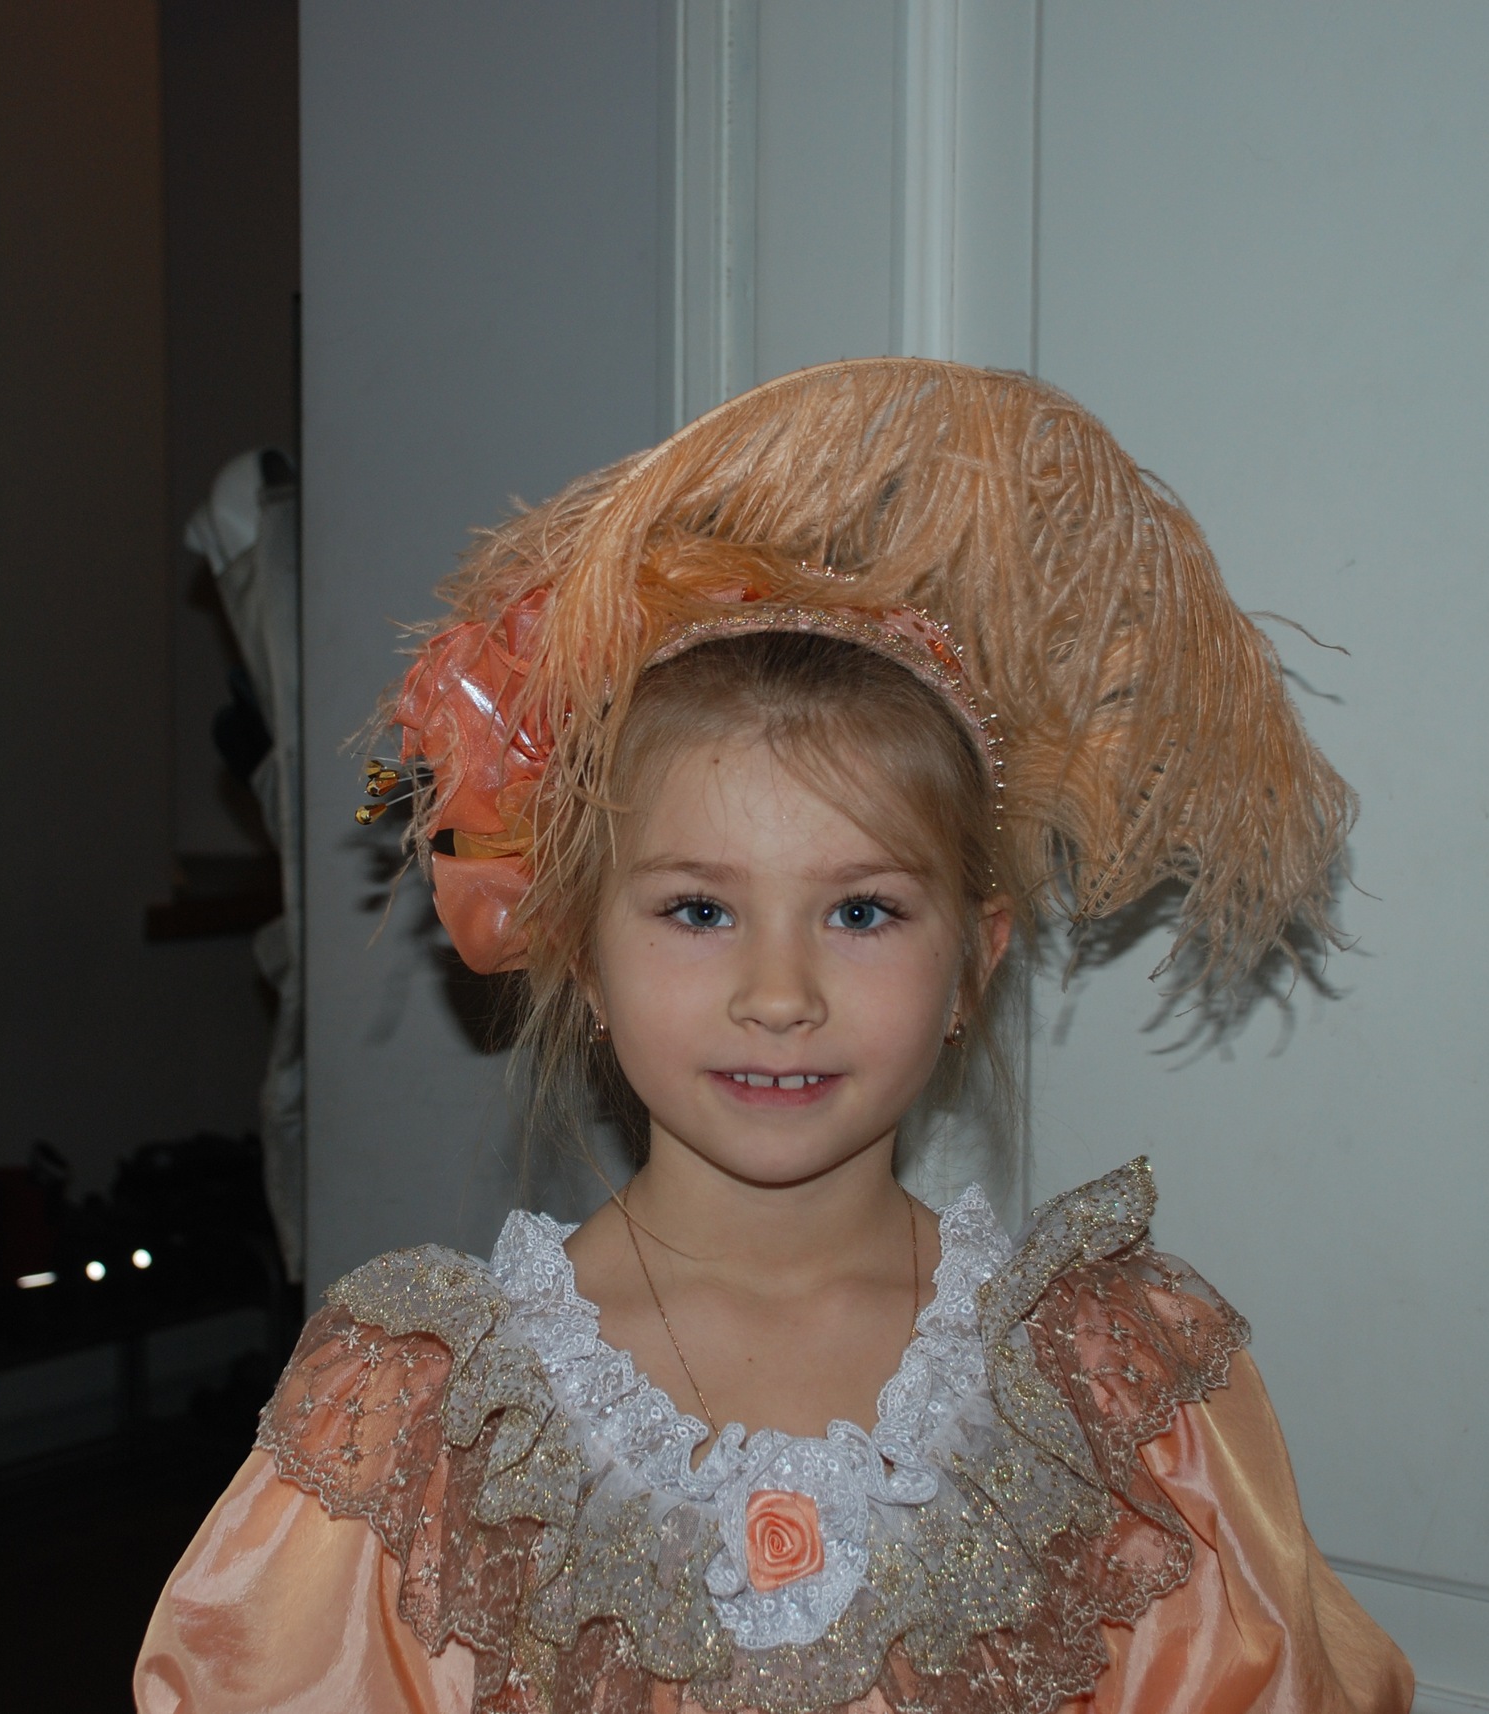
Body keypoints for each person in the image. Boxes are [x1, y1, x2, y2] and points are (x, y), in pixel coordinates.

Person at [134, 360, 1415, 1713]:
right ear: (579, 950)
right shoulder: (418, 1426)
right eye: (699, 909)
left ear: (973, 961)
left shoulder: (1119, 1403)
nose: (781, 991)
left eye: (862, 910)